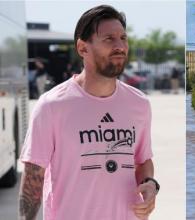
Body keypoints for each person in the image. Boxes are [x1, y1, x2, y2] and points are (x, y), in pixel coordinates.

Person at [19, 5, 159, 220]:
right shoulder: (52, 105)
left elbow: (142, 161)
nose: (120, 46)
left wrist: (149, 183)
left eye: (123, 38)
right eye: (109, 39)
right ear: (83, 48)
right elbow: (32, 180)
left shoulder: (139, 104)